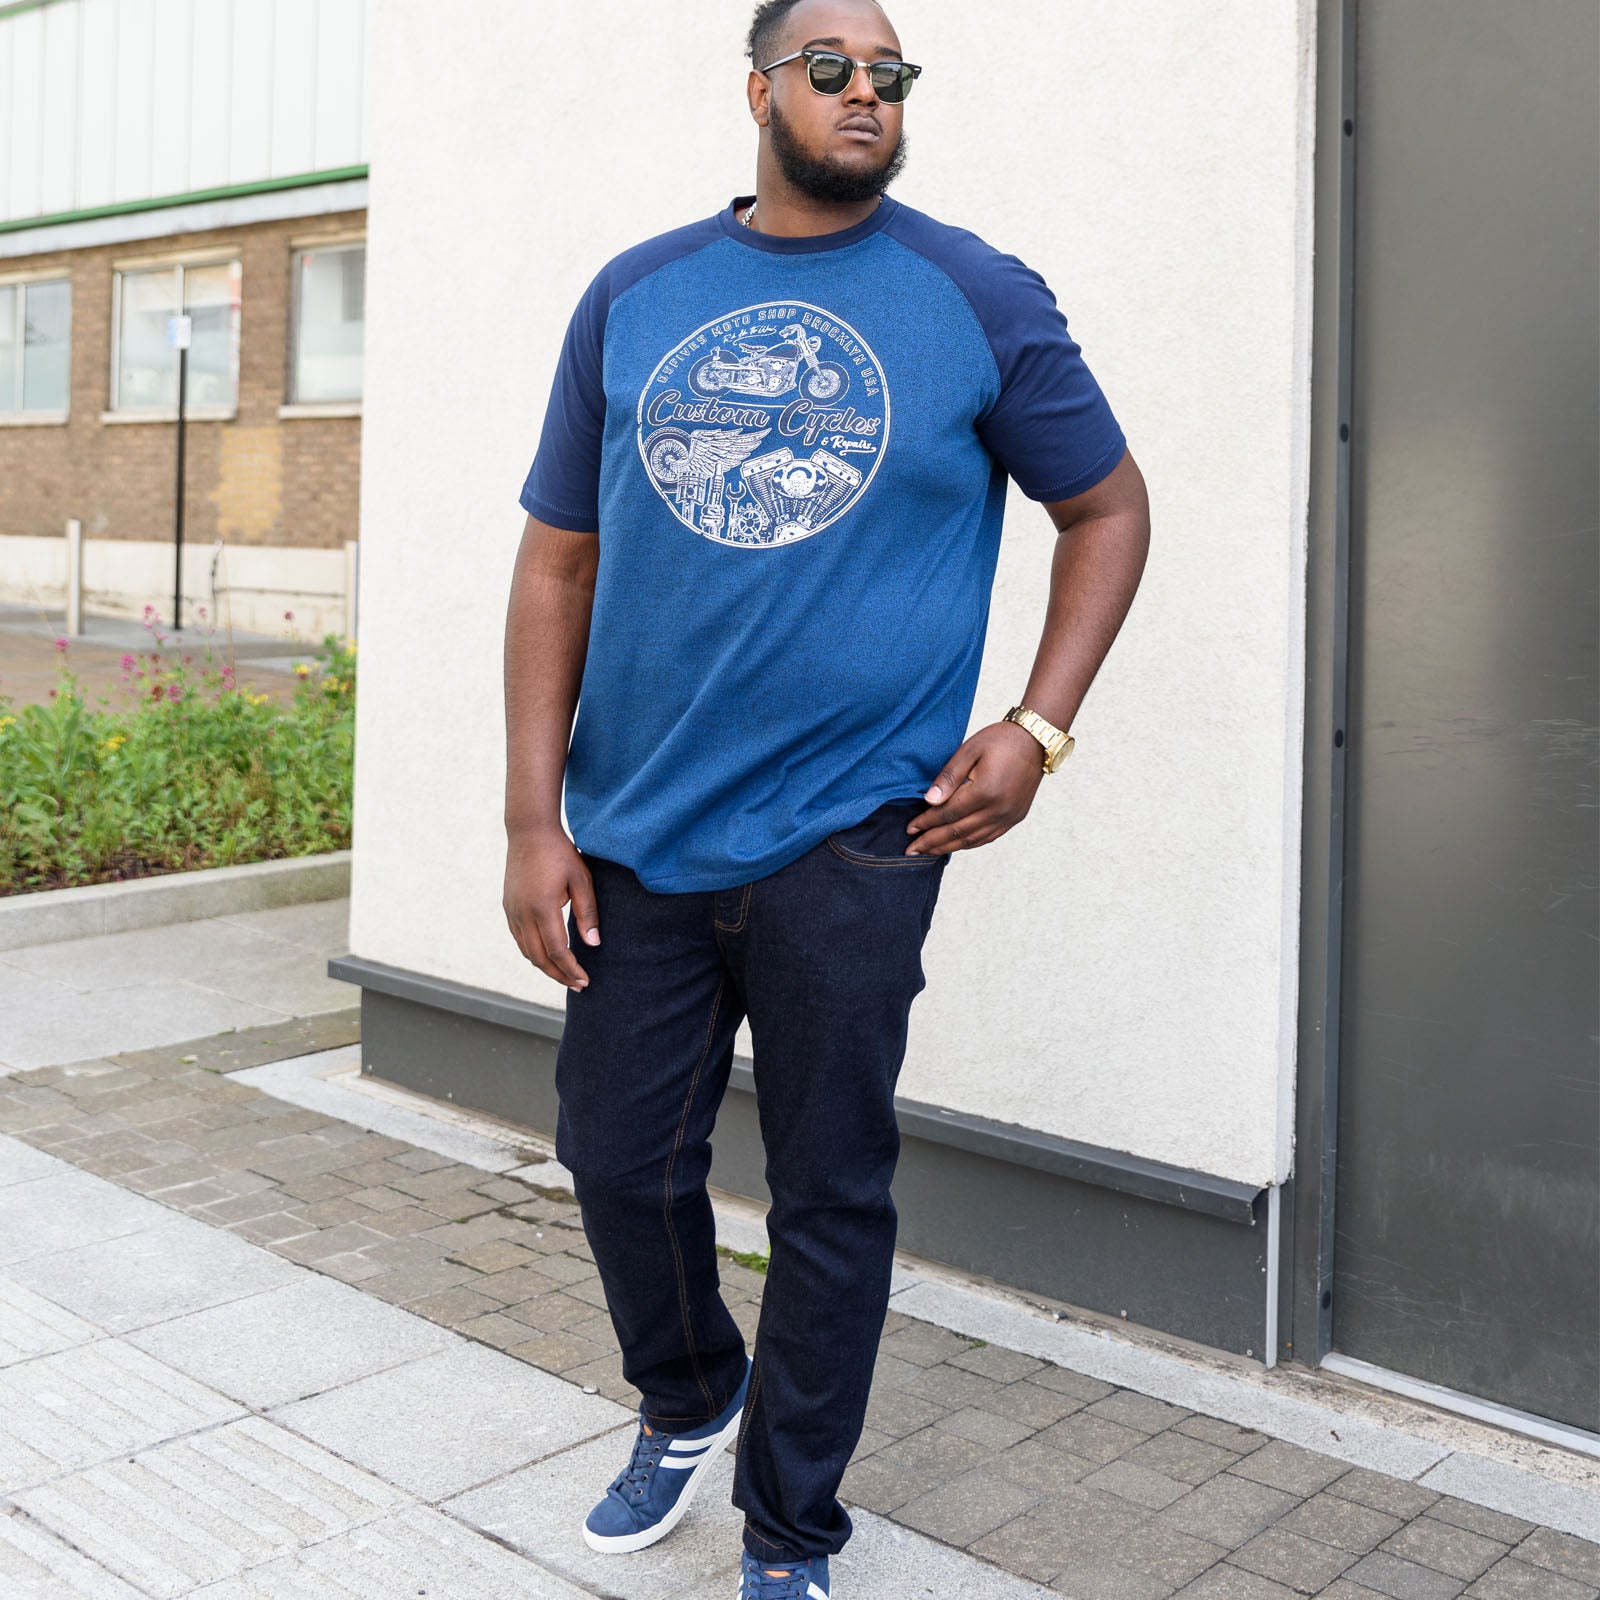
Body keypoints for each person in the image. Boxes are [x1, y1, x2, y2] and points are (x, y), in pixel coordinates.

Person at [501, 0, 1151, 1593]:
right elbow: (557, 562)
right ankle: (687, 1394)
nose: (869, 94)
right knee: (614, 1157)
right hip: (639, 831)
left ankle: (792, 1528)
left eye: (892, 76)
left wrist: (1039, 727)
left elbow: (1108, 507)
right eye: (833, 70)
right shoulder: (637, 295)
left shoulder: (974, 295)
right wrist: (531, 819)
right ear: (759, 93)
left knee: (829, 1193)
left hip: (857, 836)